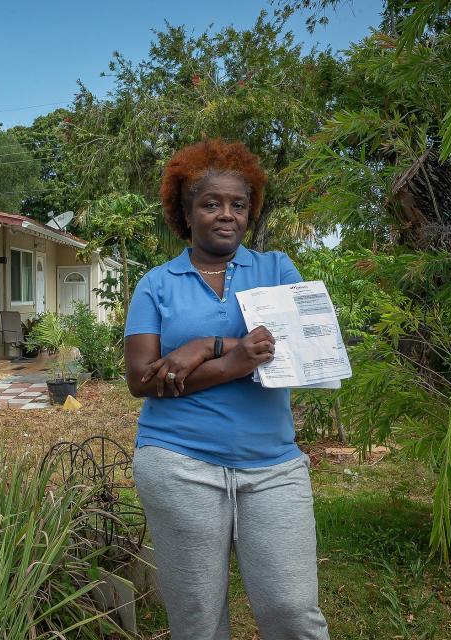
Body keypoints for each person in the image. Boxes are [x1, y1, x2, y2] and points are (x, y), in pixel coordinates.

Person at [124, 138, 330, 640]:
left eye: (239, 205)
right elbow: (142, 381)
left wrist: (205, 347)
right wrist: (235, 354)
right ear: (185, 212)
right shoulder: (156, 284)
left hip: (273, 465)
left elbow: (301, 352)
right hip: (178, 462)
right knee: (197, 618)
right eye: (210, 203)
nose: (226, 215)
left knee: (293, 612)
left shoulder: (276, 269)